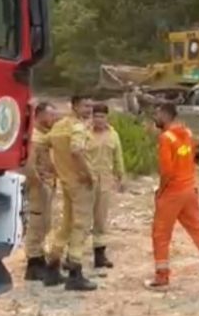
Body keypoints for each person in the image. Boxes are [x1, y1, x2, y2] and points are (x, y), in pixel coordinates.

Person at [145, 103, 199, 291]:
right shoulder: (188, 133)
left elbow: (167, 171)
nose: (155, 118)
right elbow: (190, 159)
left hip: (173, 192)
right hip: (190, 190)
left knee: (161, 234)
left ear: (166, 115)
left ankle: (162, 277)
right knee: (198, 231)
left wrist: (160, 191)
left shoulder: (166, 138)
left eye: (157, 114)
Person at [41, 95, 98, 291]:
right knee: (81, 226)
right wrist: (87, 174)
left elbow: (42, 143)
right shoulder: (78, 127)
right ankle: (75, 272)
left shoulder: (58, 126)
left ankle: (52, 267)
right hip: (80, 184)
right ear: (74, 106)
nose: (89, 109)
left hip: (66, 182)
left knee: (66, 224)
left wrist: (52, 167)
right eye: (85, 105)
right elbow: (76, 150)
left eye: (91, 105)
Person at [86, 102, 126, 270]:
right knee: (82, 219)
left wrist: (121, 176)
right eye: (96, 116)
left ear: (106, 118)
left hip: (105, 182)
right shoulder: (85, 134)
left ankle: (99, 255)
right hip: (87, 182)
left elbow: (118, 157)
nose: (98, 120)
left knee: (101, 220)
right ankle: (72, 257)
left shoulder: (113, 135)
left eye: (102, 116)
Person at [23, 99, 59, 281]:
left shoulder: (46, 136)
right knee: (37, 222)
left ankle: (39, 256)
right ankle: (33, 262)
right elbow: (29, 165)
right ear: (40, 115)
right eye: (50, 114)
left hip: (49, 183)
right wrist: (38, 183)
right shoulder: (35, 138)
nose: (54, 118)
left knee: (45, 222)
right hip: (40, 186)